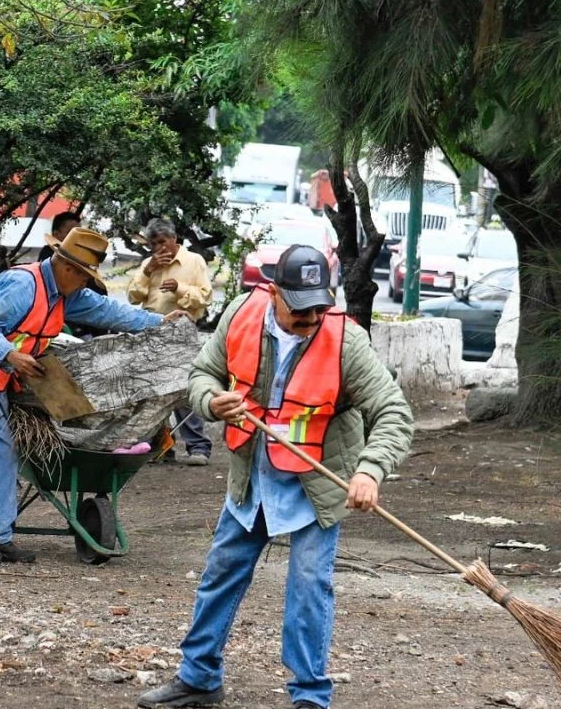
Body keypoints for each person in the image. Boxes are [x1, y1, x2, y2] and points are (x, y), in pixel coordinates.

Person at [137, 245, 414, 709]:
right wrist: (210, 402)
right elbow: (203, 373)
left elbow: (393, 413)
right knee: (221, 574)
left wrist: (369, 470)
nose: (310, 320)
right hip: (253, 477)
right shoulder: (242, 314)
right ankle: (199, 678)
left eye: (319, 308)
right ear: (273, 292)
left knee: (309, 588)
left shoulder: (347, 342)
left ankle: (309, 697)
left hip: (314, 485)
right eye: (300, 310)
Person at [0, 227, 190, 565]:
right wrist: (11, 356)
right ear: (68, 268)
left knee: (4, 456)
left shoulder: (66, 294)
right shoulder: (23, 285)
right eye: (85, 276)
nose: (86, 283)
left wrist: (159, 321)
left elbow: (110, 312)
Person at [127, 218, 214, 465]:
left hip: (181, 331)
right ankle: (160, 447)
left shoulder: (193, 261)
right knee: (152, 389)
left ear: (174, 239)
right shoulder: (149, 263)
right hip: (151, 332)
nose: (159, 249)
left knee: (183, 388)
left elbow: (204, 298)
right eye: (154, 244)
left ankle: (198, 447)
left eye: (163, 242)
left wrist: (179, 288)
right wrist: (147, 271)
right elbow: (133, 297)